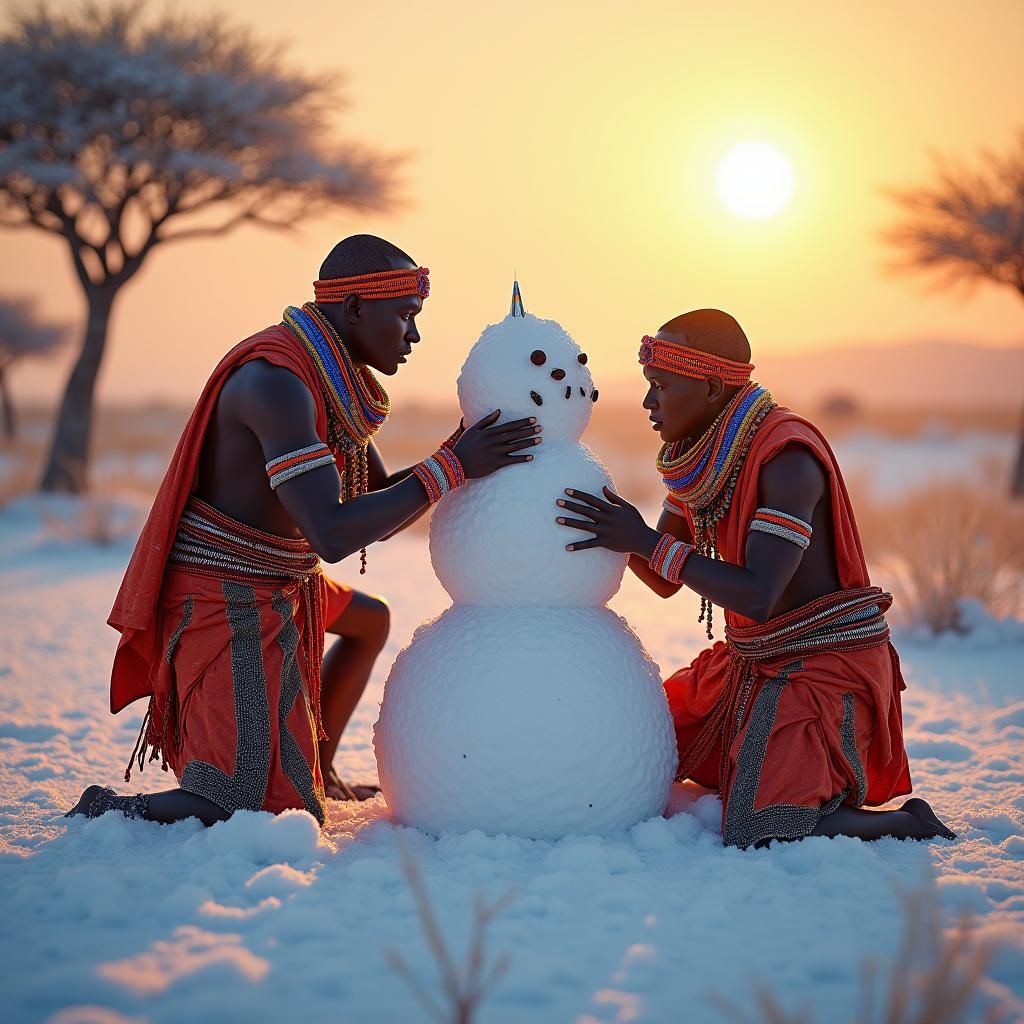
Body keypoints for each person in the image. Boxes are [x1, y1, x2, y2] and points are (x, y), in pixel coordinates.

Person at [68, 234, 542, 827]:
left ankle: (320, 764)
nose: (414, 336)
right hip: (224, 591)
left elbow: (375, 501)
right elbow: (334, 534)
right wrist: (454, 465)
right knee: (240, 801)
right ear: (355, 309)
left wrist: (461, 449)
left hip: (283, 578)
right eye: (406, 317)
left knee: (370, 619)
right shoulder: (278, 383)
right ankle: (109, 810)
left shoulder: (332, 376)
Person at [555, 309, 955, 847]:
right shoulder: (697, 454)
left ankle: (908, 822)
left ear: (714, 387)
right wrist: (604, 522)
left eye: (661, 387)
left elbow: (759, 596)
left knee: (762, 827)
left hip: (822, 667)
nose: (648, 403)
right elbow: (665, 580)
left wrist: (642, 539)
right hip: (751, 661)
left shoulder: (786, 459)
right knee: (642, 749)